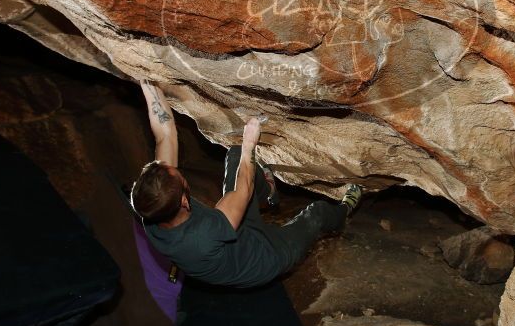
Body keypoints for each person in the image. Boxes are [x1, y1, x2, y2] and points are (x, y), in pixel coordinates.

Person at [129, 80, 363, 288]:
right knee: (317, 214)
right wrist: (250, 141)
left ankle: (271, 195)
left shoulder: (151, 205)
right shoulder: (203, 235)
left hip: (236, 232)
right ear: (183, 201)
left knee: (235, 155)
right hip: (263, 260)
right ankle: (344, 211)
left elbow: (164, 135)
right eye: (178, 176)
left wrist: (147, 83)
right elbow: (244, 186)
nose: (175, 168)